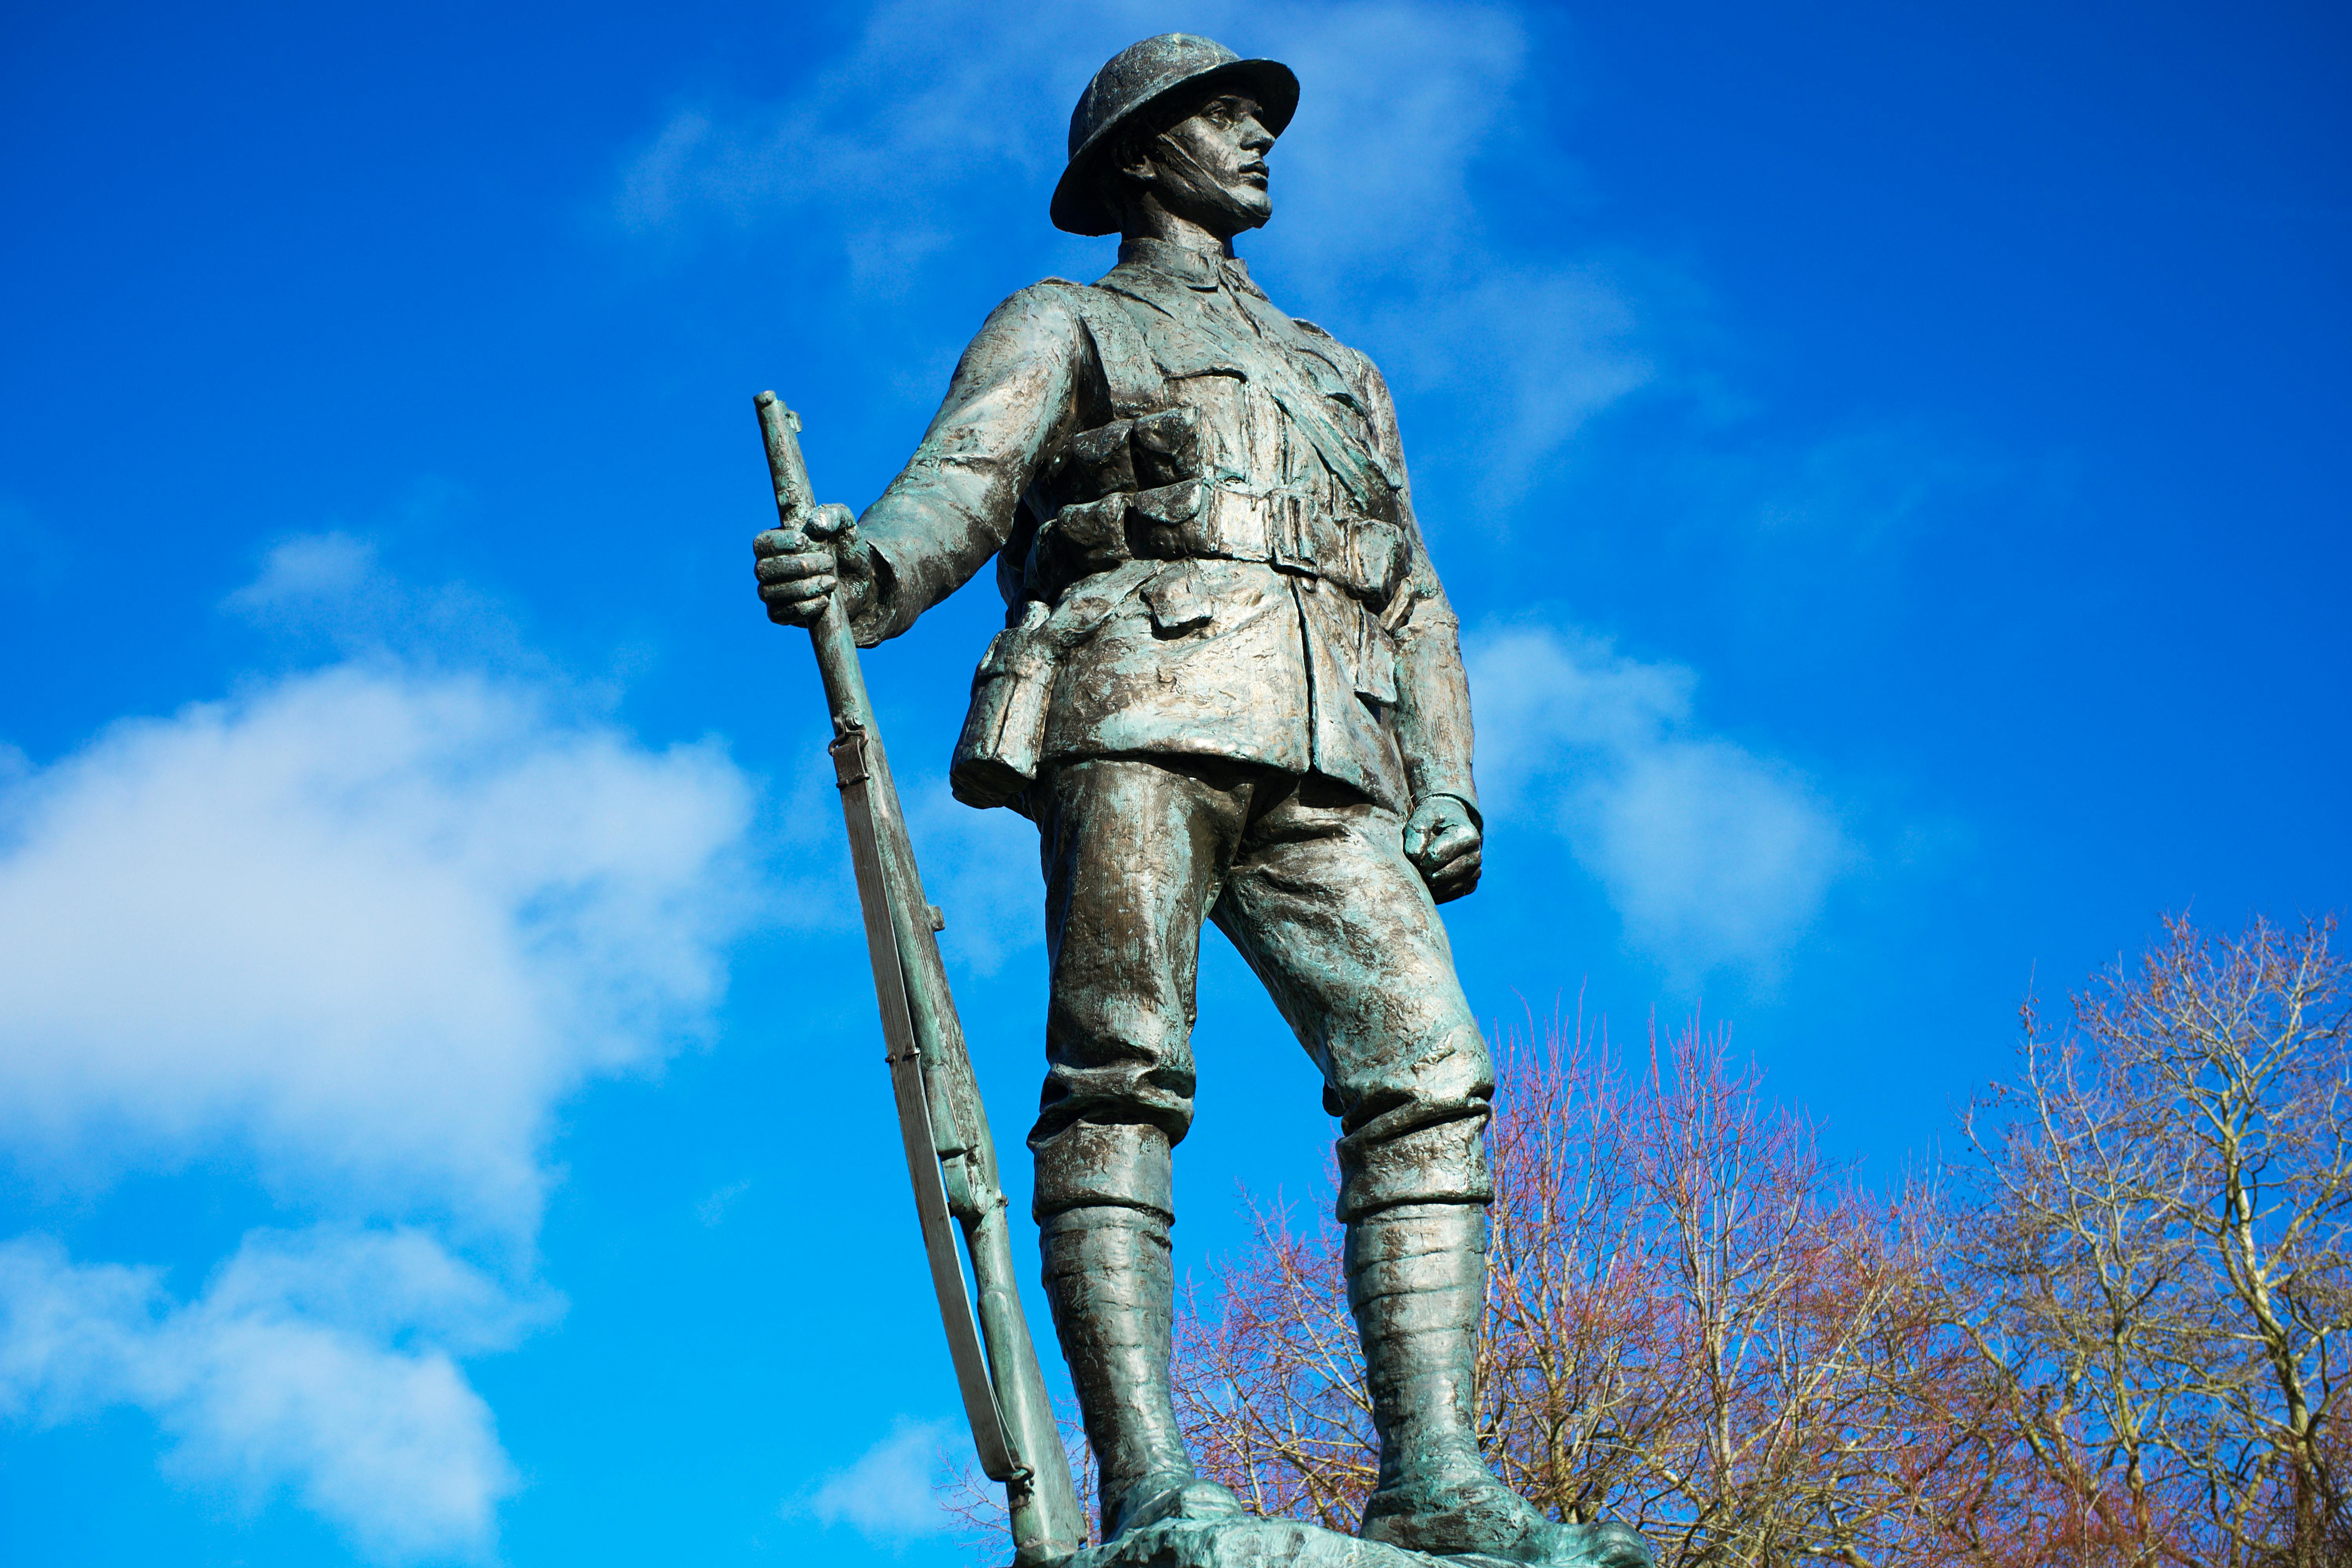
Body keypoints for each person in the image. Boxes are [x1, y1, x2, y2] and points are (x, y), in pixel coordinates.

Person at [755, 33, 1645, 1568]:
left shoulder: (1338, 368)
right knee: (1121, 1073)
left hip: (1332, 742)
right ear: (1135, 158)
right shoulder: (1070, 319)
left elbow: (1412, 590)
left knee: (1430, 1073)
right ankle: (1151, 1478)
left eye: (1256, 117)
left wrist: (1448, 776)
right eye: (1218, 116)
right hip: (1137, 696)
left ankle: (1434, 1470)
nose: (1255, 138)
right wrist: (869, 566)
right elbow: (962, 484)